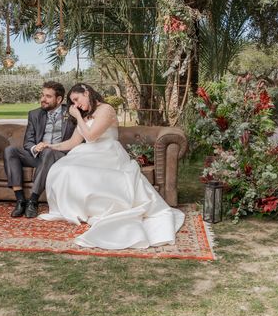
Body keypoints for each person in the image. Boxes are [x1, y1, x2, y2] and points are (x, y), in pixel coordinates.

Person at [37, 83, 185, 249]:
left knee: (72, 170)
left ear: (86, 92)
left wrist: (77, 116)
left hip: (107, 153)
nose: (76, 105)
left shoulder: (106, 109)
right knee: (61, 168)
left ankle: (98, 208)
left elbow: (92, 137)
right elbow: (73, 142)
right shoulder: (86, 116)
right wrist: (49, 145)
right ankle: (79, 210)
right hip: (87, 153)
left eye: (77, 99)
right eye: (73, 102)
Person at [3, 81, 76, 218]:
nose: (43, 99)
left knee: (48, 151)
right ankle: (20, 200)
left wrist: (49, 147)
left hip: (60, 156)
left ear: (59, 99)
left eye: (48, 96)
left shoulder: (71, 113)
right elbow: (28, 141)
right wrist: (35, 147)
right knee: (10, 150)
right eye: (42, 95)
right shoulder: (35, 114)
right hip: (40, 157)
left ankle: (33, 201)